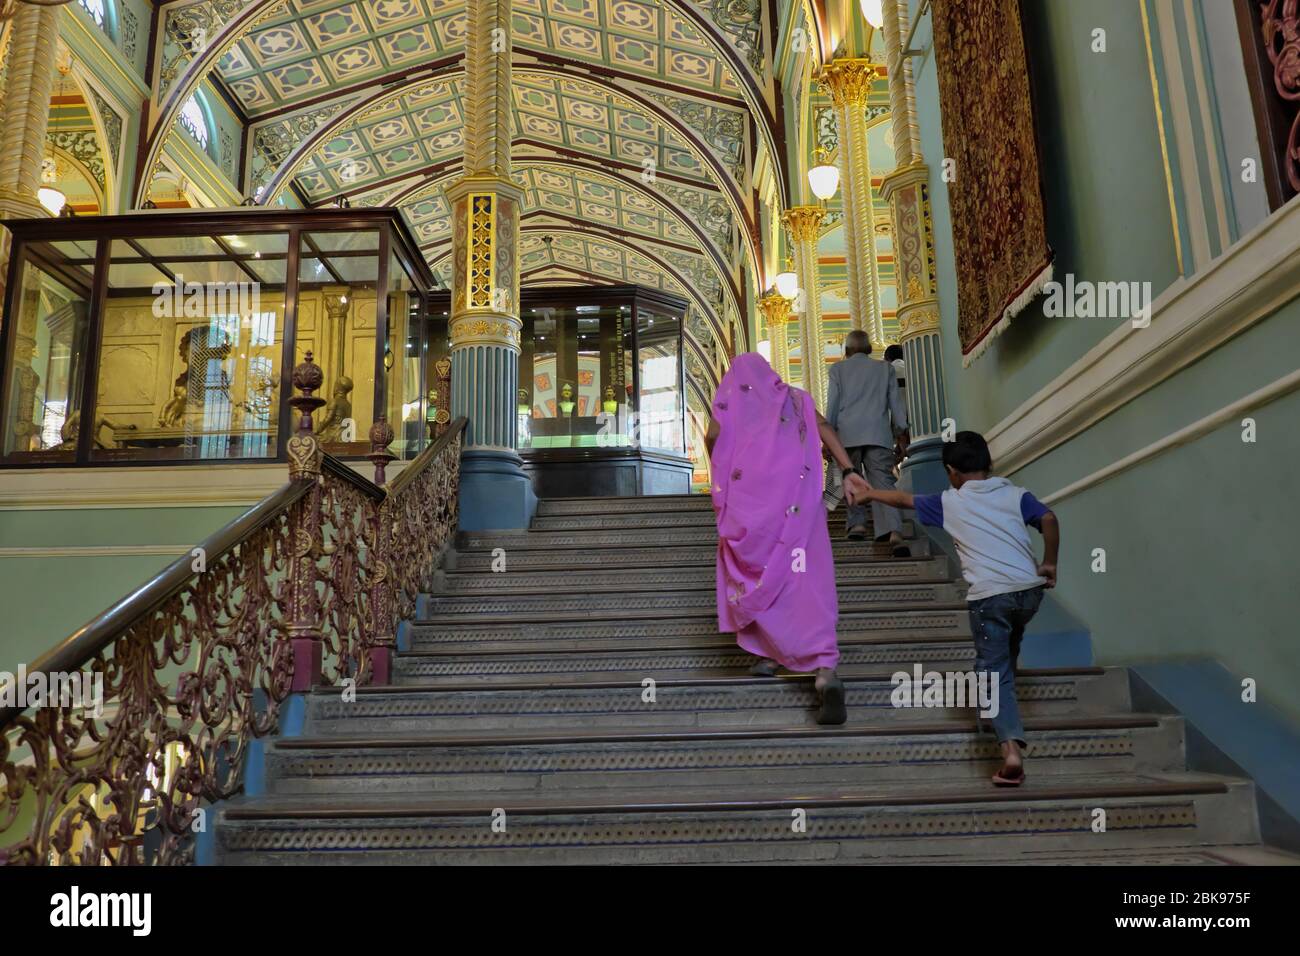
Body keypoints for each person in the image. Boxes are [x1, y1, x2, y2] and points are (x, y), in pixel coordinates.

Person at [853, 431, 1060, 786]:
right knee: (1008, 646)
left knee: (992, 673)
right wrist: (1050, 563)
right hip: (1029, 593)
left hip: (989, 597)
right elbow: (1050, 520)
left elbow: (903, 500)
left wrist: (869, 492)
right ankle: (1003, 691)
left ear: (952, 472)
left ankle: (1010, 750)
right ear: (989, 464)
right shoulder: (1015, 494)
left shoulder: (951, 502)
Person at [705, 353, 870, 725]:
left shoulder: (732, 403)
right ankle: (824, 671)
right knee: (804, 581)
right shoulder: (796, 400)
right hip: (798, 509)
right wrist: (848, 469)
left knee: (757, 575)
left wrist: (729, 478)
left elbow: (713, 440)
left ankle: (767, 655)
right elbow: (825, 429)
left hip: (749, 512)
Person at [825, 330, 911, 555]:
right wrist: (901, 431)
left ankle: (858, 524)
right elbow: (895, 405)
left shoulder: (838, 370)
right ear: (870, 349)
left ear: (846, 351)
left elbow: (832, 406)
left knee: (850, 480)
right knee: (883, 481)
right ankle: (894, 531)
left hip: (846, 435)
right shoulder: (885, 369)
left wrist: (828, 435)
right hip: (878, 433)